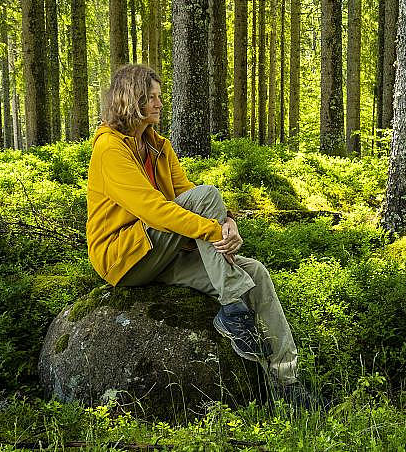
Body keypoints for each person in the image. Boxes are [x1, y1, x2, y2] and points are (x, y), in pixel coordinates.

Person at [86, 64, 314, 407]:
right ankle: (233, 307)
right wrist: (213, 228)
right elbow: (156, 211)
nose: (160, 104)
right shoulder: (109, 149)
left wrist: (228, 222)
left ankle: (287, 384)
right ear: (131, 102)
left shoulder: (157, 146)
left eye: (159, 97)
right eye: (151, 98)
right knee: (207, 196)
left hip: (160, 253)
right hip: (125, 258)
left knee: (256, 273)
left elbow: (185, 192)